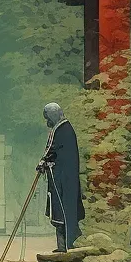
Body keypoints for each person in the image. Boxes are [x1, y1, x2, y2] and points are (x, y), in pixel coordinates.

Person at [37, 102, 85, 252]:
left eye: (47, 118)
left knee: (61, 209)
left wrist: (42, 162)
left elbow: (51, 149)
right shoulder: (66, 129)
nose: (47, 122)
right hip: (65, 178)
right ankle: (64, 246)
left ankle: (66, 246)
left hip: (62, 179)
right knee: (65, 210)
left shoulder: (59, 130)